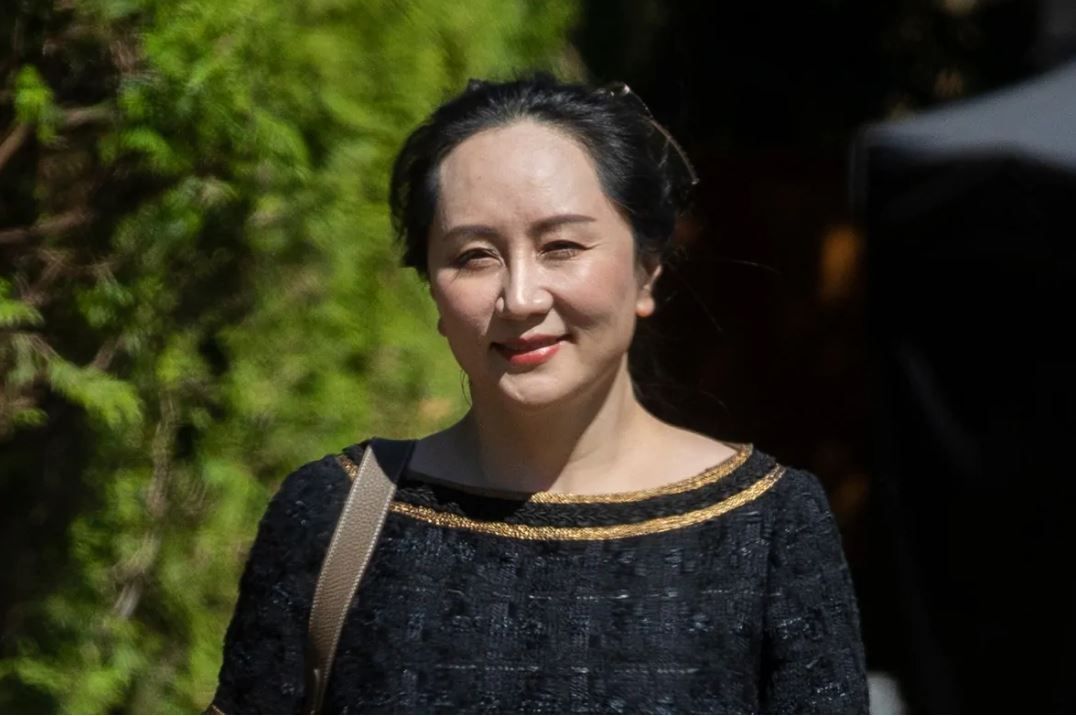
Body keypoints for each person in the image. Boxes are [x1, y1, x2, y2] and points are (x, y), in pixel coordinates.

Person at [207, 74, 869, 714]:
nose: (520, 298)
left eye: (561, 246)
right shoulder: (335, 514)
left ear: (646, 270)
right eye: (474, 255)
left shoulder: (770, 526)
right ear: (433, 290)